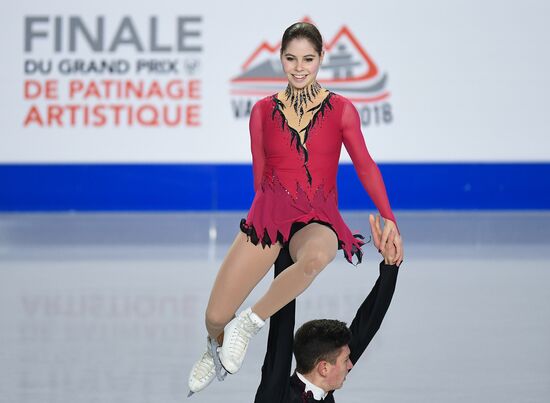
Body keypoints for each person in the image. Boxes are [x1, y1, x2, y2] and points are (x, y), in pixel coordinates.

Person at [188, 22, 403, 395]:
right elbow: (260, 179)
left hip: (316, 218)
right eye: (291, 58)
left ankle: (249, 323)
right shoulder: (261, 112)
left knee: (319, 254)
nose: (299, 67)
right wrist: (260, 234)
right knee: (214, 316)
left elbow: (365, 165)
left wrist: (389, 217)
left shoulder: (342, 110)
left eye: (307, 59)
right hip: (270, 216)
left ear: (321, 59)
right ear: (281, 60)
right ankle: (216, 344)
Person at [254, 214, 399, 402]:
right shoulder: (275, 394)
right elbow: (281, 325)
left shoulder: (325, 387)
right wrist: (285, 250)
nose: (350, 365)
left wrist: (390, 266)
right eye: (346, 361)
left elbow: (366, 327)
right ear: (323, 368)